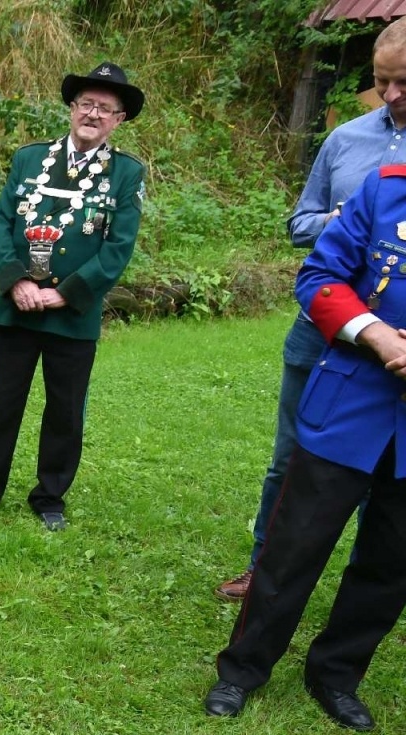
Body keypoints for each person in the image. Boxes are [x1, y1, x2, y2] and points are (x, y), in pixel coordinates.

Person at [202, 161, 406, 732]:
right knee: (293, 546)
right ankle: (242, 669)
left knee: (392, 562)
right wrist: (376, 332)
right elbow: (319, 277)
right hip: (349, 406)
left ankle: (336, 675)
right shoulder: (387, 189)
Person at [212, 22, 406, 601]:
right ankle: (264, 569)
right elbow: (300, 224)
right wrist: (351, 219)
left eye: (405, 83)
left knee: (387, 477)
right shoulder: (344, 139)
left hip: (397, 352)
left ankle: (370, 585)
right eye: (381, 82)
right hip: (321, 334)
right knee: (292, 458)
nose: (392, 95)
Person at [0, 63, 146, 531]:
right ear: (72, 109)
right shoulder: (28, 160)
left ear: (119, 120)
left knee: (64, 409)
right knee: (1, 401)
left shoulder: (125, 173)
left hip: (72, 315)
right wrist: (16, 281)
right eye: (86, 104)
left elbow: (119, 246)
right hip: (17, 308)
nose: (93, 114)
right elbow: (2, 222)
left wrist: (66, 296)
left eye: (105, 108)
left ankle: (50, 496)